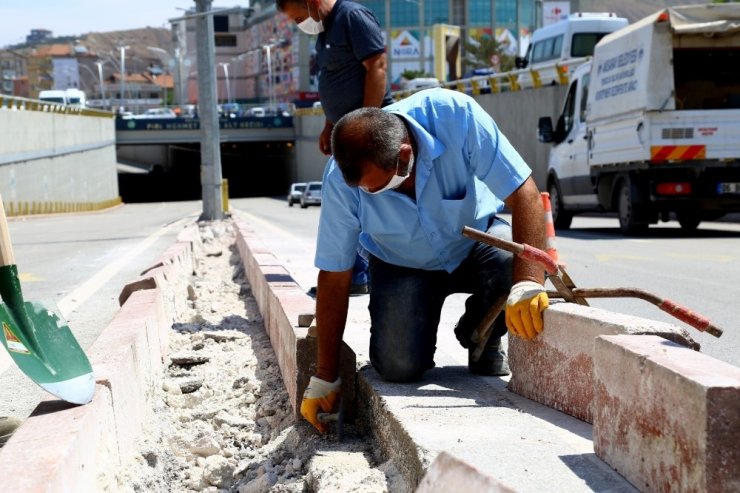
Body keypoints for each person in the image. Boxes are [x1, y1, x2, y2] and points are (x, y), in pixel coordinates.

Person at [300, 88, 550, 433]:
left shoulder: (455, 116)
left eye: (376, 188)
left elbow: (525, 194)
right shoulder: (343, 181)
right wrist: (325, 377)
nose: (369, 195)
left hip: (474, 245)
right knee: (398, 366)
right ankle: (422, 332)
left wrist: (528, 282)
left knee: (516, 264)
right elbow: (334, 276)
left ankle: (483, 336)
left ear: (404, 157)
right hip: (401, 263)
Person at [276, 0, 394, 295]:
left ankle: (355, 274)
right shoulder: (325, 31)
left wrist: (367, 124)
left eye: (299, 16)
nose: (298, 23)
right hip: (346, 130)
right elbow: (337, 79)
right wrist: (329, 125)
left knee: (349, 199)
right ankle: (355, 272)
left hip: (367, 129)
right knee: (347, 201)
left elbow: (377, 65)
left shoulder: (352, 16)